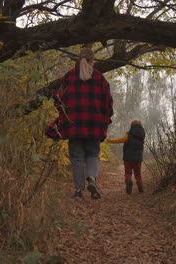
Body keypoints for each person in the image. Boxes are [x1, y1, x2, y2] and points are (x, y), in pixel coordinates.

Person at [53, 47, 113, 199]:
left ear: (79, 60)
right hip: (94, 125)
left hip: (74, 125)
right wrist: (106, 119)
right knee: (93, 155)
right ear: (93, 60)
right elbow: (108, 103)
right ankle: (92, 180)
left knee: (77, 157)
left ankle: (78, 191)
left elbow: (58, 98)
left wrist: (64, 113)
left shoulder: (68, 76)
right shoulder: (100, 78)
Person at [106, 120, 145, 194]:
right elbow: (142, 147)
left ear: (131, 126)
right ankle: (141, 188)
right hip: (138, 159)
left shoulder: (128, 135)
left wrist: (109, 140)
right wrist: (140, 155)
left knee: (128, 173)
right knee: (138, 174)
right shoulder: (141, 136)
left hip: (128, 158)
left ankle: (129, 181)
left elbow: (119, 140)